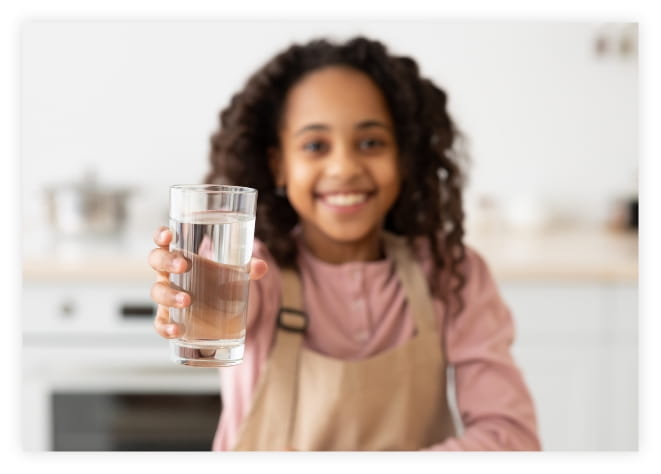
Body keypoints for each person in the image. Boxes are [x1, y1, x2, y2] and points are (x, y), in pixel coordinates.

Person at [148, 36, 541, 451]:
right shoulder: (257, 270)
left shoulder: (451, 273)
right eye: (315, 146)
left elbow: (511, 439)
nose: (345, 167)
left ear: (403, 157)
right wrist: (190, 296)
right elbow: (219, 310)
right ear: (278, 165)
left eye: (370, 143)